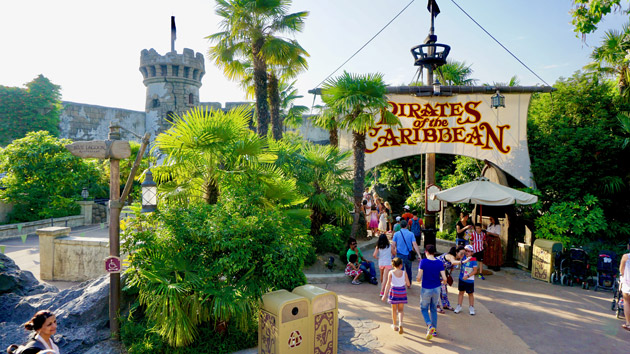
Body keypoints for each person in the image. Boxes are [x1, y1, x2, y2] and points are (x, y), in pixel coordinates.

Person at [417, 244, 447, 340]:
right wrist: (441, 281)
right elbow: (445, 278)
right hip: (437, 288)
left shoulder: (423, 262)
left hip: (426, 288)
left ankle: (429, 326)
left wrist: (419, 280)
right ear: (434, 252)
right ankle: (434, 330)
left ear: (426, 252)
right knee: (434, 308)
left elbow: (418, 277)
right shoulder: (439, 263)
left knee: (424, 308)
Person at [381, 257, 409, 335]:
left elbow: (388, 284)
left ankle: (394, 325)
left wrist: (384, 295)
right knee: (400, 310)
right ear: (401, 265)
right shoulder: (404, 273)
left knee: (393, 309)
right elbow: (408, 283)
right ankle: (400, 323)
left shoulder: (391, 272)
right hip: (402, 292)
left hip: (394, 292)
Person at [437, 246, 468, 312]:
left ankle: (445, 304)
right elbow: (453, 262)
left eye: (464, 254)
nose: (463, 255)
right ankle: (436, 306)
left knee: (444, 290)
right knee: (436, 290)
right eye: (461, 253)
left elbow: (451, 266)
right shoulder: (450, 256)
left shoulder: (456, 259)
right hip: (434, 271)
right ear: (456, 252)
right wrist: (463, 262)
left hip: (442, 273)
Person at [391, 220, 421, 287]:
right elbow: (415, 244)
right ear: (407, 226)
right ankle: (409, 283)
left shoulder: (396, 234)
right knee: (409, 270)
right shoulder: (411, 234)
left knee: (400, 269)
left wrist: (392, 253)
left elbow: (393, 245)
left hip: (399, 254)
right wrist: (419, 254)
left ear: (400, 226)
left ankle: (401, 284)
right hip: (408, 255)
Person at [454, 245, 478, 315]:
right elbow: (458, 256)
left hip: (469, 280)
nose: (467, 252)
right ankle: (459, 305)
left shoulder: (473, 260)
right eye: (466, 251)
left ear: (472, 252)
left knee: (470, 293)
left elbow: (475, 271)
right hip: (461, 278)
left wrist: (468, 276)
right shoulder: (463, 257)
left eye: (469, 251)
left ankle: (471, 307)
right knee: (461, 292)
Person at [619, 240, 630, 331]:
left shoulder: (626, 257)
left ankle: (628, 323)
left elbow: (621, 270)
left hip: (627, 284)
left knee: (627, 302)